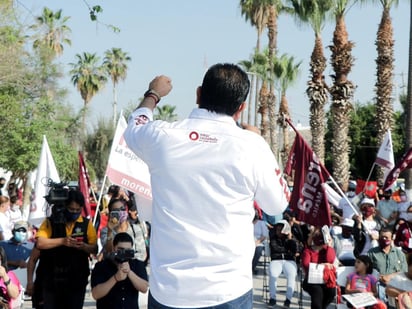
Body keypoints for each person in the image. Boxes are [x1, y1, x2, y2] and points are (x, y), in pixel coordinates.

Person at [123, 63, 289, 308]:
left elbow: (135, 125)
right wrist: (256, 140)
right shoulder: (252, 146)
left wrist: (153, 94)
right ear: (241, 108)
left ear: (198, 94)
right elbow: (277, 204)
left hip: (170, 291)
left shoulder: (162, 136)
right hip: (229, 291)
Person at [35, 189, 98, 309]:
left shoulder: (86, 224)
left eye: (78, 210)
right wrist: (62, 241)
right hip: (52, 280)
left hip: (76, 280)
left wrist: (84, 247)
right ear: (65, 206)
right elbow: (40, 243)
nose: (74, 212)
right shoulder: (51, 222)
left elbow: (94, 248)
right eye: (71, 209)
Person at [91, 232, 148, 309]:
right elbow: (96, 294)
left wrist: (129, 272)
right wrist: (115, 278)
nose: (123, 253)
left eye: (127, 251)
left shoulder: (137, 264)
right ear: (114, 248)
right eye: (120, 250)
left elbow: (144, 288)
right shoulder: (101, 266)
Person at [368, 227, 407, 305]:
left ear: (392, 239)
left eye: (386, 237)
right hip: (377, 285)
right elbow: (367, 271)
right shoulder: (371, 253)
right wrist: (380, 277)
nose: (384, 239)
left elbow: (404, 271)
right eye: (382, 237)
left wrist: (390, 276)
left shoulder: (399, 254)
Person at [100, 199, 147, 263]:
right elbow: (109, 251)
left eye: (122, 209)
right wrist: (110, 231)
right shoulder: (106, 231)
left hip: (133, 268)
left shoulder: (136, 229)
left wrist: (124, 259)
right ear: (111, 213)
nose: (120, 212)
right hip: (114, 269)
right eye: (116, 210)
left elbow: (142, 254)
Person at [301, 228, 337, 309]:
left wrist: (329, 246)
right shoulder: (308, 251)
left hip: (325, 279)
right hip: (311, 280)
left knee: (331, 292)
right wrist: (322, 265)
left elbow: (330, 260)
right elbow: (306, 265)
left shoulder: (327, 250)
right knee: (317, 292)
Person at [267, 220, 298, 308]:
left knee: (292, 275)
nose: (279, 232)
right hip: (276, 260)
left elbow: (295, 250)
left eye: (281, 230)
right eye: (277, 229)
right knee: (273, 275)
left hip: (289, 261)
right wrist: (287, 251)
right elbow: (275, 248)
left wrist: (290, 239)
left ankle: (288, 299)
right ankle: (272, 298)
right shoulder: (273, 238)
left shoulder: (290, 238)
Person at [252, 209, 268, 275]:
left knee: (258, 251)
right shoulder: (246, 223)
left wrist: (257, 242)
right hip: (248, 241)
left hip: (259, 242)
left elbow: (264, 235)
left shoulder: (261, 223)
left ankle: (252, 268)